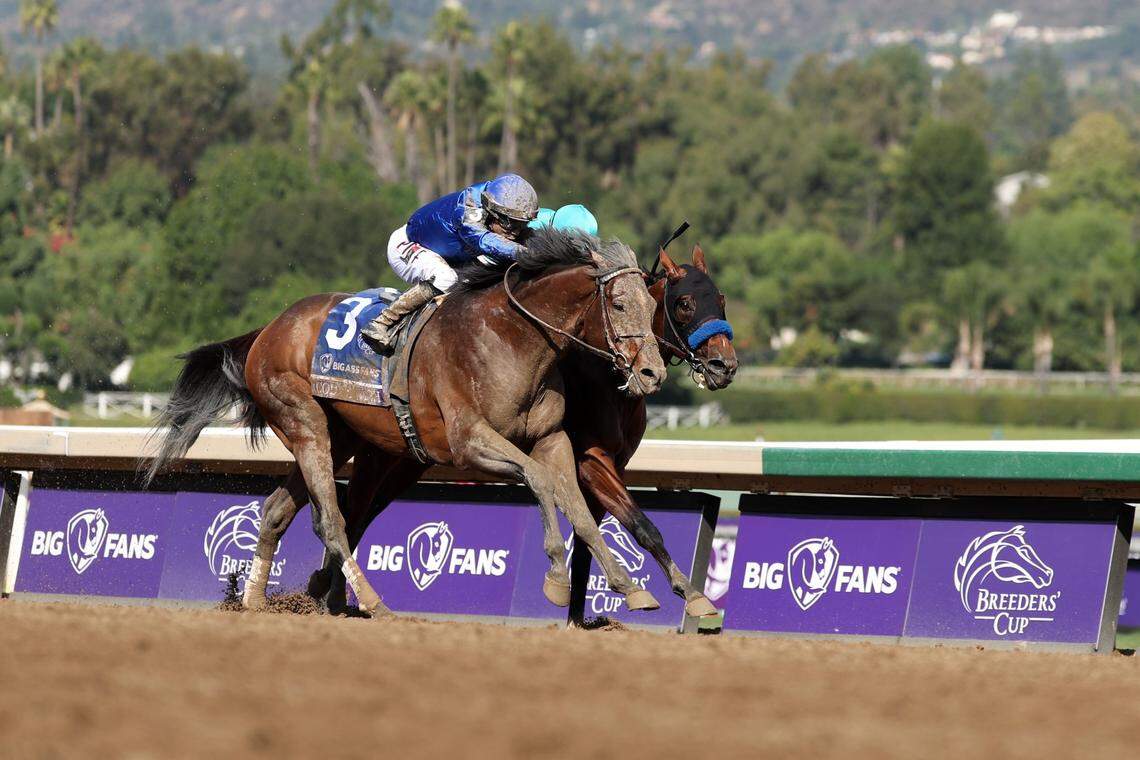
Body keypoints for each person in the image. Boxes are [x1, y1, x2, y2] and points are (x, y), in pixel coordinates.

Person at [361, 173, 539, 352]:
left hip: (448, 254)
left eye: (521, 224)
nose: (515, 232)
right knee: (446, 278)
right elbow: (485, 241)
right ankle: (381, 322)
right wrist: (525, 252)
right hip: (408, 245)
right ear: (493, 212)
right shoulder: (467, 213)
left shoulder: (496, 202)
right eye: (511, 225)